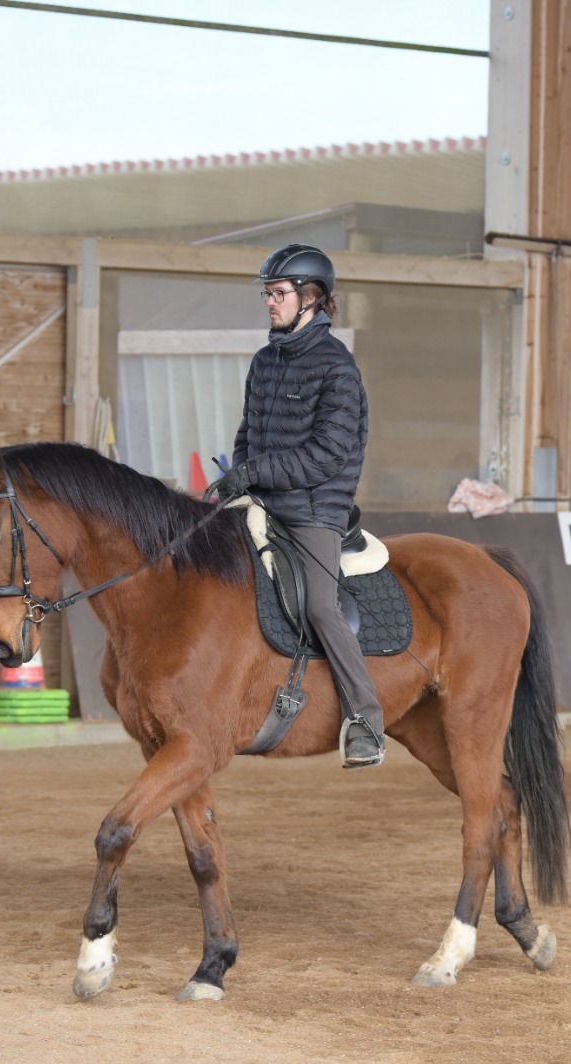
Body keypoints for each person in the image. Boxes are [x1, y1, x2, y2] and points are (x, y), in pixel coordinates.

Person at [216, 243, 385, 769]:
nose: (270, 302)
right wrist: (238, 474)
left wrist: (256, 473)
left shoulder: (338, 369)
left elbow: (326, 454)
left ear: (311, 299)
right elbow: (249, 432)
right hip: (263, 497)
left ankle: (366, 722)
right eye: (268, 293)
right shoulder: (265, 361)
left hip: (314, 509)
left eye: (279, 293)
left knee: (319, 607)